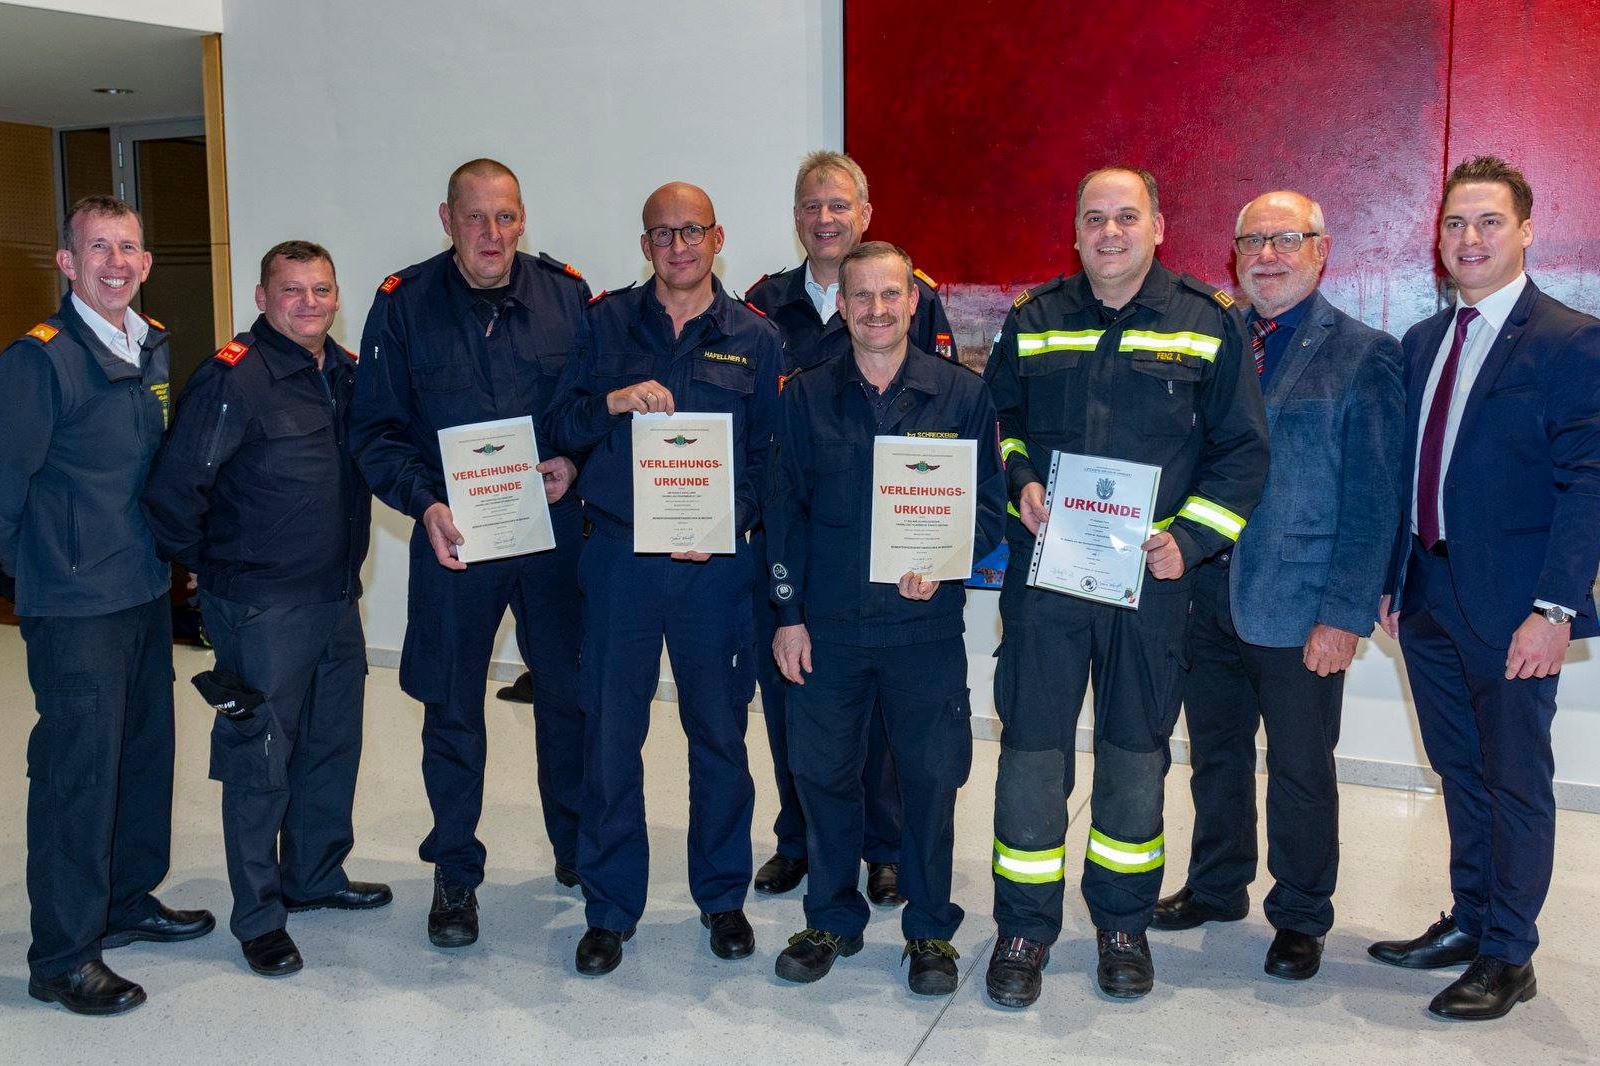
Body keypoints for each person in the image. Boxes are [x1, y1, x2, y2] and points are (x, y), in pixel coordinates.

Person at [981, 167, 1269, 1005]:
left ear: (1158, 227)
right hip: (1049, 583)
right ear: (1074, 230)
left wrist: (1192, 540)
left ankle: (1121, 923)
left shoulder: (1206, 324)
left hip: (1152, 584)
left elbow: (1243, 453)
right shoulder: (1034, 320)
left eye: (1126, 217)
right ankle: (1024, 930)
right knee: (1032, 757)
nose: (1110, 232)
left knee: (1135, 758)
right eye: (1094, 218)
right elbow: (1002, 424)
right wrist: (1022, 480)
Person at [1368, 155, 1600, 1021]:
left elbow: (1590, 481)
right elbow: (1408, 474)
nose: (1468, 239)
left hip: (1514, 612)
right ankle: (1470, 920)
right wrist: (1394, 578)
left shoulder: (1570, 340)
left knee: (1514, 781)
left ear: (1527, 230)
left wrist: (1555, 610)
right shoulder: (1425, 343)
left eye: (1488, 222)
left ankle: (1511, 954)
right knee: (1460, 773)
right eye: (1455, 224)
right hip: (1425, 599)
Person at [1152, 192, 1403, 980]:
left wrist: (1344, 615)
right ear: (1232, 256)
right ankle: (1220, 885)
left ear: (1320, 250)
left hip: (1298, 608)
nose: (1267, 255)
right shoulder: (1207, 342)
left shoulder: (1364, 353)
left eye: (1285, 239)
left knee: (1300, 765)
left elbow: (1374, 501)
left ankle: (1299, 913)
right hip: (1202, 592)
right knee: (1215, 755)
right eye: (1252, 240)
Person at [350, 159, 590, 947]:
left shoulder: (566, 296)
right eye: (477, 217)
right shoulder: (403, 306)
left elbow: (588, 413)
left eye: (508, 217)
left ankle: (577, 849)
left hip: (552, 538)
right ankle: (455, 870)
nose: (493, 233)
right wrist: (426, 502)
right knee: (452, 706)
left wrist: (575, 462)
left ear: (524, 220)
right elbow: (376, 433)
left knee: (569, 699)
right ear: (447, 219)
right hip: (455, 540)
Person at [545, 181, 782, 976]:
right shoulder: (603, 323)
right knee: (612, 735)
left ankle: (723, 898)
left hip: (715, 569)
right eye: (661, 235)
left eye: (691, 232)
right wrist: (610, 401)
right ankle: (610, 906)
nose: (677, 247)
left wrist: (725, 521)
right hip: (619, 560)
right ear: (643, 244)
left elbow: (770, 460)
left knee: (718, 733)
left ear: (718, 238)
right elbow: (561, 426)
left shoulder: (756, 335)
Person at [143, 240, 389, 978]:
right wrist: (216, 581)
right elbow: (174, 493)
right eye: (292, 290)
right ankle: (258, 915)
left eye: (321, 289)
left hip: (336, 596)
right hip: (261, 605)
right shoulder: (237, 379)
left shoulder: (344, 375)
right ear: (261, 297)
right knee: (262, 761)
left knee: (330, 743)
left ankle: (314, 875)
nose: (309, 303)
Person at [765, 241, 1004, 993]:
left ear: (912, 302)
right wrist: (788, 616)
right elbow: (783, 516)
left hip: (921, 631)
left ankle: (930, 930)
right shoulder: (803, 395)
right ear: (842, 304)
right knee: (824, 776)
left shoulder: (960, 396)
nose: (876, 309)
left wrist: (947, 557)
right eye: (861, 296)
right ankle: (830, 918)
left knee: (932, 780)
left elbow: (992, 515)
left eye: (890, 295)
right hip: (829, 630)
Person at [0, 195, 213, 1015]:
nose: (116, 262)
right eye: (98, 248)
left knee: (141, 756)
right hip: (76, 601)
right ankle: (61, 955)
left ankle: (124, 900)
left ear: (147, 262)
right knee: (76, 776)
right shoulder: (40, 361)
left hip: (141, 589)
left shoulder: (150, 344)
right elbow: (3, 488)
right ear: (66, 263)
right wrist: (40, 574)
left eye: (129, 247)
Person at [742, 151, 958, 904]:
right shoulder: (761, 303)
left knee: (887, 730)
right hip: (802, 537)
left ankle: (885, 846)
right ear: (796, 216)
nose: (825, 218)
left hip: (895, 553)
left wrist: (929, 542)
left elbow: (942, 426)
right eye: (811, 205)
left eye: (839, 205)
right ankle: (799, 838)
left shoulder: (916, 298)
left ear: (865, 212)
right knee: (797, 705)